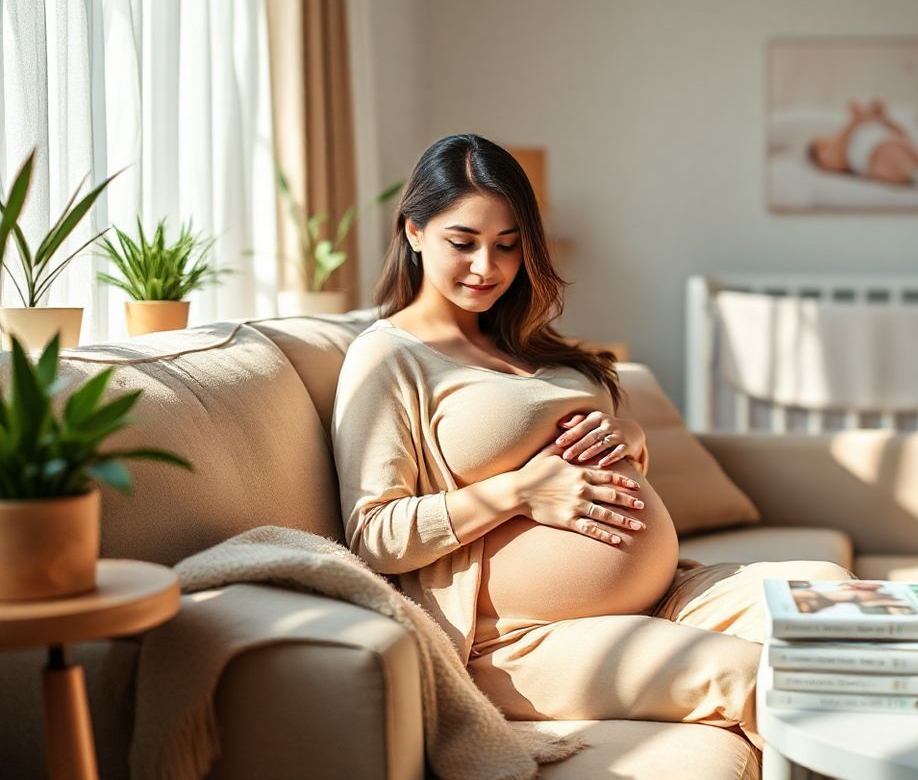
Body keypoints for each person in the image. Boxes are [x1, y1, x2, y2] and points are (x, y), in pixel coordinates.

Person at [331, 133, 852, 749]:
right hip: (515, 638)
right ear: (414, 232)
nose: (487, 267)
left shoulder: (521, 339)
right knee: (745, 676)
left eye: (508, 245)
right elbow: (375, 534)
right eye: (462, 243)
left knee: (839, 602)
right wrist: (520, 491)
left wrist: (628, 437)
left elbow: (586, 445)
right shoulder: (386, 357)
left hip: (658, 595)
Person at [807, 99, 918, 191]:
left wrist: (883, 117)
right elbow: (835, 160)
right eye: (824, 143)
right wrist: (854, 120)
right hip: (876, 157)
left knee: (905, 148)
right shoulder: (830, 157)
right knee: (895, 158)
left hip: (894, 143)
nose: (831, 139)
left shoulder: (853, 133)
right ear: (818, 156)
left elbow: (902, 134)